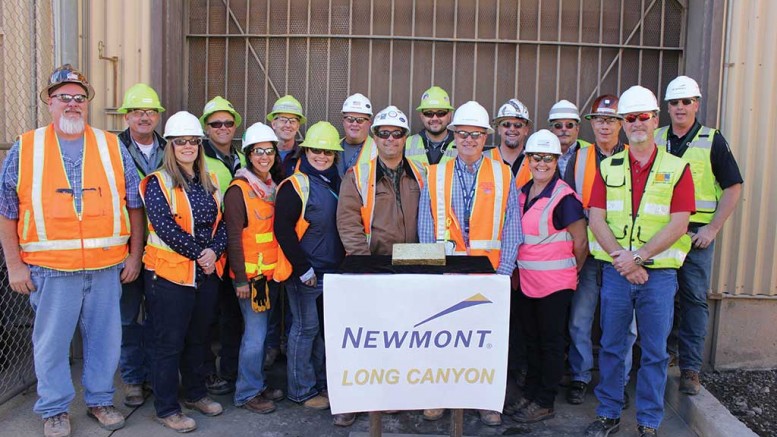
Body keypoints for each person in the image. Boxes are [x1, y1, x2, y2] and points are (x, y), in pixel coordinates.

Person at [0, 64, 142, 436]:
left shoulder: (111, 145)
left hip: (106, 265)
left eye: (80, 98)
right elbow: (6, 211)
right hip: (50, 269)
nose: (73, 104)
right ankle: (54, 409)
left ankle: (99, 400)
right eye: (65, 97)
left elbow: (134, 205)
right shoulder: (26, 146)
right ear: (50, 102)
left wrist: (134, 254)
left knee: (105, 341)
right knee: (51, 344)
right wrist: (14, 266)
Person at [584, 86, 695, 437]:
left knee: (654, 352)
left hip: (658, 276)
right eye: (628, 118)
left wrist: (639, 258)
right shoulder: (608, 166)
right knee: (613, 347)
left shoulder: (677, 168)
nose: (636, 124)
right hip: (618, 274)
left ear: (654, 120)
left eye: (642, 117)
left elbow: (680, 223)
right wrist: (626, 263)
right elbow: (596, 218)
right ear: (623, 123)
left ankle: (648, 422)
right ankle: (608, 414)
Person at [417, 101, 522, 426]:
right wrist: (434, 272)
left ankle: (486, 401)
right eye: (462, 134)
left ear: (485, 137)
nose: (469, 140)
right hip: (447, 275)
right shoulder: (436, 175)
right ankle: (440, 397)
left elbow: (512, 227)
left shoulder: (503, 174)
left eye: (476, 135)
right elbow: (425, 227)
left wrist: (501, 274)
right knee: (443, 339)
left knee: (485, 342)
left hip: (488, 276)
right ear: (453, 135)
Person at [335, 106, 424, 426]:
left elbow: (429, 221)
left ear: (404, 138)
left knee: (400, 335)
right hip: (370, 266)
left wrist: (422, 266)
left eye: (397, 133)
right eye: (384, 133)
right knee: (362, 337)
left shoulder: (421, 173)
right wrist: (364, 266)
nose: (390, 139)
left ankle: (390, 395)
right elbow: (348, 223)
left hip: (410, 268)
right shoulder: (357, 175)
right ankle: (352, 400)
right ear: (375, 137)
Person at [140, 111, 227, 433]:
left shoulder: (210, 181)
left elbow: (221, 225)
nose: (188, 147)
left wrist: (213, 252)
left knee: (198, 339)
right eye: (181, 142)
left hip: (204, 275)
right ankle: (166, 408)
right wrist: (200, 254)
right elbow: (165, 228)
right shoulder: (158, 182)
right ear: (170, 146)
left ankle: (195, 394)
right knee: (168, 343)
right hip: (170, 278)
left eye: (193, 141)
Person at [655, 76, 743, 396]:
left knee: (693, 299)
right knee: (659, 299)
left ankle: (690, 369)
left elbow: (733, 187)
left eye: (686, 101)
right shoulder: (656, 137)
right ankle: (658, 358)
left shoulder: (712, 140)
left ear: (697, 104)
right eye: (675, 102)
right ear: (667, 107)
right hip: (661, 234)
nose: (680, 107)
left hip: (695, 237)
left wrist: (713, 228)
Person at [563, 95, 637, 406]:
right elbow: (566, 204)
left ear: (621, 123)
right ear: (590, 124)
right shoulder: (578, 159)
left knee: (624, 325)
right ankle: (580, 376)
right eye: (599, 119)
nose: (604, 125)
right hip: (589, 256)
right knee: (580, 319)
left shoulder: (637, 158)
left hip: (623, 256)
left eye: (611, 119)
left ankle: (618, 382)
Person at [512, 130, 587, 423]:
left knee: (551, 344)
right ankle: (530, 394)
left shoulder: (565, 197)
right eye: (536, 157)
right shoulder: (522, 192)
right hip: (527, 283)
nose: (541, 163)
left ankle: (545, 401)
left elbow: (581, 243)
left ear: (556, 161)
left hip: (555, 286)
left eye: (548, 158)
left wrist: (572, 272)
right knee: (531, 341)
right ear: (528, 160)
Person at [274, 121, 345, 411]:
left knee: (322, 331)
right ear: (306, 151)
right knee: (305, 329)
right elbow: (283, 230)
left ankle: (319, 385)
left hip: (332, 272)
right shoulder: (295, 185)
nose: (322, 156)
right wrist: (303, 268)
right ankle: (301, 391)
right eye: (316, 150)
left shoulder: (336, 181)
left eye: (328, 152)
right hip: (307, 273)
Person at [223, 122, 286, 414]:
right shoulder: (239, 191)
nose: (264, 156)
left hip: (269, 275)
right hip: (252, 278)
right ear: (249, 154)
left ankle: (257, 383)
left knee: (261, 333)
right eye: (258, 151)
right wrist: (241, 280)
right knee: (255, 335)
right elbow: (233, 238)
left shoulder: (271, 186)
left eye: (269, 151)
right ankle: (247, 392)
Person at [115, 82, 167, 408]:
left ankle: (153, 375)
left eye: (149, 111)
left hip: (163, 248)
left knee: (158, 317)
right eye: (137, 111)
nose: (144, 117)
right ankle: (133, 379)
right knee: (128, 317)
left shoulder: (170, 148)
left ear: (158, 117)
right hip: (126, 247)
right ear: (127, 117)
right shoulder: (111, 149)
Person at [199, 95, 247, 396]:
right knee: (206, 317)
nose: (223, 128)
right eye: (216, 123)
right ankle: (205, 374)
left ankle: (229, 371)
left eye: (228, 123)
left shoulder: (240, 157)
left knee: (232, 315)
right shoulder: (199, 158)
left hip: (236, 249)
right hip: (209, 250)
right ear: (206, 127)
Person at [405, 86, 457, 166]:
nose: (435, 118)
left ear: (449, 115)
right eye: (428, 113)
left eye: (441, 113)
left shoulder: (463, 143)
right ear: (421, 116)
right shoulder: (406, 144)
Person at [486, 98, 533, 182]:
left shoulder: (536, 161)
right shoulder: (483, 159)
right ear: (499, 129)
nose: (512, 129)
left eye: (518, 125)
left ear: (526, 130)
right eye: (506, 124)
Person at [547, 99, 591, 177]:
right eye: (558, 125)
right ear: (551, 129)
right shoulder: (541, 152)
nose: (564, 129)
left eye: (569, 125)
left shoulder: (591, 152)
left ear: (577, 128)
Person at [337, 93, 376, 176]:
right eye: (350, 119)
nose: (354, 124)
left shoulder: (377, 150)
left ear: (369, 123)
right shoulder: (333, 147)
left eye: (360, 120)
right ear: (343, 121)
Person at [267, 95, 307, 176]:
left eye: (293, 121)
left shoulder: (305, 156)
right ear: (274, 124)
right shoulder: (262, 154)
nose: (288, 125)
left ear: (298, 126)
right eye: (283, 120)